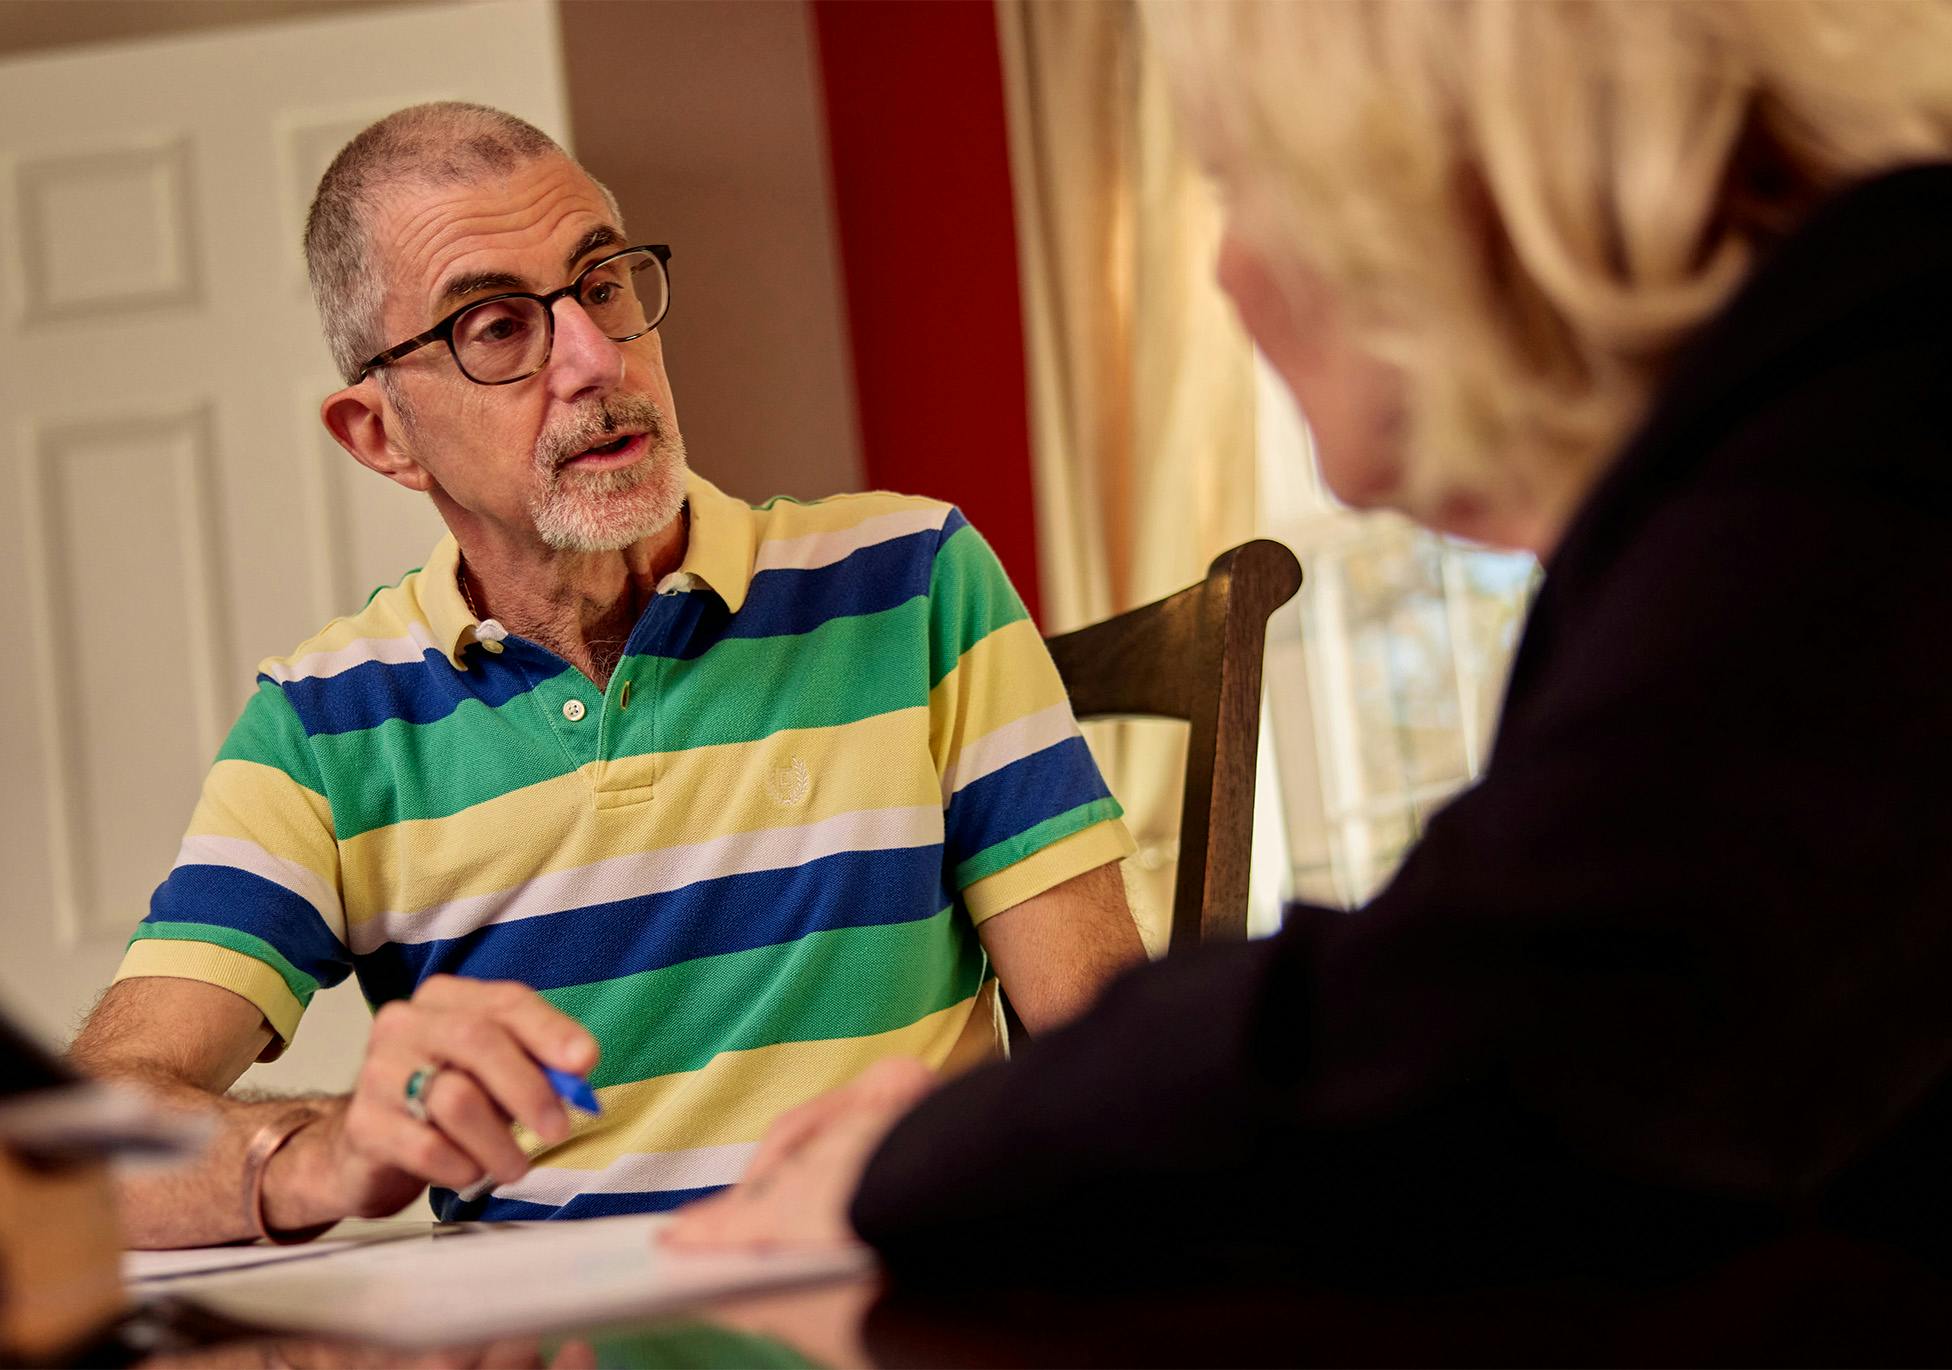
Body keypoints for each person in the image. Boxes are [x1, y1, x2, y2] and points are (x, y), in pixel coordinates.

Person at [666, 0, 1952, 1295]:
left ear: (1431, 169)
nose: (1225, 272)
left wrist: (929, 1149)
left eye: (1238, 182)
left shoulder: (1867, 427)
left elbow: (1514, 1017)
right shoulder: (1800, 420)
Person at [68, 103, 1145, 1248]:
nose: (594, 358)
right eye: (494, 327)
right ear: (381, 434)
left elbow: (1111, 1061)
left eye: (603, 284)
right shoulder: (325, 726)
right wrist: (326, 1151)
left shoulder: (912, 581)